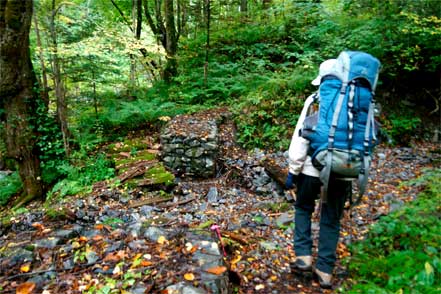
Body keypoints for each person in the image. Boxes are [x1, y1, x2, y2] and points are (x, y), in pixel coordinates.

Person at [285, 59, 352, 289]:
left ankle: (303, 256)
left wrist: (293, 171)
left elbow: (300, 138)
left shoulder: (315, 100)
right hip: (342, 170)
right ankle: (324, 271)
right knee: (331, 218)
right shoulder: (354, 101)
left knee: (303, 208)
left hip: (311, 169)